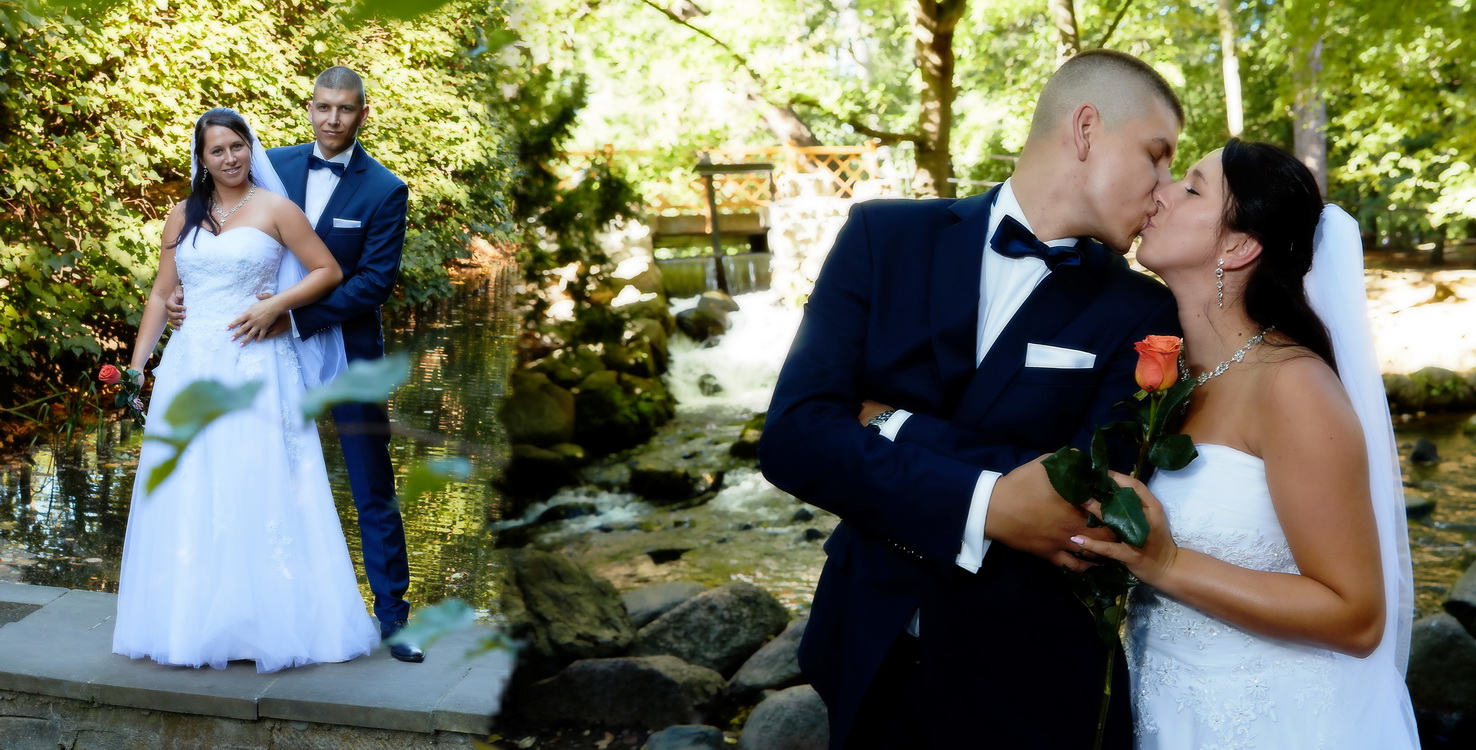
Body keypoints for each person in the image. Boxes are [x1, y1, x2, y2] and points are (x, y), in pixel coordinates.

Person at [759, 49, 1184, 749]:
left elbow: (1084, 496)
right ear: (1086, 129)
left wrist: (891, 423)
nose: (1164, 189)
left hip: (1027, 679)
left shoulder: (1145, 311)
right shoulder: (881, 237)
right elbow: (794, 436)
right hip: (867, 650)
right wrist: (989, 503)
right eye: (1156, 156)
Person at [1072, 139, 1420, 748]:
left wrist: (1167, 563)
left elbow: (1358, 617)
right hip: (1165, 715)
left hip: (1277, 724)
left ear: (1238, 247)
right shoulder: (1167, 376)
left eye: (1192, 188)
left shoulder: (1293, 386)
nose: (1161, 192)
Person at [166, 67, 421, 662]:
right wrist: (183, 292)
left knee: (370, 482)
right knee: (253, 476)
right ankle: (255, 614)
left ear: (362, 114)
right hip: (257, 354)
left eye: (345, 109)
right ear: (310, 108)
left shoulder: (385, 189)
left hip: (344, 352)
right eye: (323, 107)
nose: (333, 119)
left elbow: (374, 282)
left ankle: (393, 616)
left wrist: (292, 316)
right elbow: (212, 236)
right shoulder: (264, 163)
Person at [113, 108, 378, 672]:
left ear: (249, 148)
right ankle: (192, 622)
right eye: (218, 150)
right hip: (190, 366)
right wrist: (138, 367)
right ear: (202, 159)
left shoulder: (276, 208)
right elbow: (162, 293)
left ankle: (264, 624)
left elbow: (326, 271)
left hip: (255, 363)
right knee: (191, 485)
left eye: (237, 146)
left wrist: (275, 305)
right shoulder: (182, 214)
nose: (230, 158)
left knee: (255, 481)